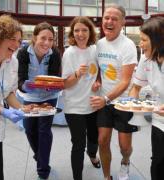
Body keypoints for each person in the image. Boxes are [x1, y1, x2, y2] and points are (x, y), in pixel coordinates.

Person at [90, 4, 138, 180]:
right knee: (102, 140)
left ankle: (125, 162)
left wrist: (105, 98)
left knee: (124, 147)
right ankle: (107, 176)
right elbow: (100, 71)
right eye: (106, 18)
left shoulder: (128, 46)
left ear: (123, 22)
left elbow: (125, 81)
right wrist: (97, 81)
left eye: (114, 19)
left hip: (123, 102)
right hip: (105, 101)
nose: (109, 22)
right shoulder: (99, 44)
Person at [17, 22, 61, 180]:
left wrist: (53, 86)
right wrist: (25, 86)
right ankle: (40, 156)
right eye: (43, 38)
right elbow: (20, 80)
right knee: (29, 129)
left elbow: (55, 77)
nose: (47, 43)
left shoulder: (54, 53)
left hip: (49, 97)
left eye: (51, 39)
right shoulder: (23, 53)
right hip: (29, 97)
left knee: (44, 131)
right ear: (35, 38)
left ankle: (43, 170)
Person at [0, 15, 25, 180]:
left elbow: (7, 92)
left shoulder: (13, 62)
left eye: (19, 40)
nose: (16, 45)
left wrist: (22, 109)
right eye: (12, 39)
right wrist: (3, 111)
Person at [62, 16, 100, 180]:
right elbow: (65, 84)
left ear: (90, 32)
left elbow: (101, 73)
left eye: (84, 30)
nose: (80, 34)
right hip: (74, 107)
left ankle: (92, 155)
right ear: (72, 33)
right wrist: (77, 74)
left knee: (94, 138)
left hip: (93, 104)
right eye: (76, 30)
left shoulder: (95, 50)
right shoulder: (69, 53)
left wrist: (98, 81)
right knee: (78, 145)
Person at [129, 16, 164, 180]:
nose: (140, 44)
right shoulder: (145, 58)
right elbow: (135, 87)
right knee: (157, 160)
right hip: (159, 119)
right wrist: (131, 103)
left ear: (157, 40)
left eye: (143, 40)